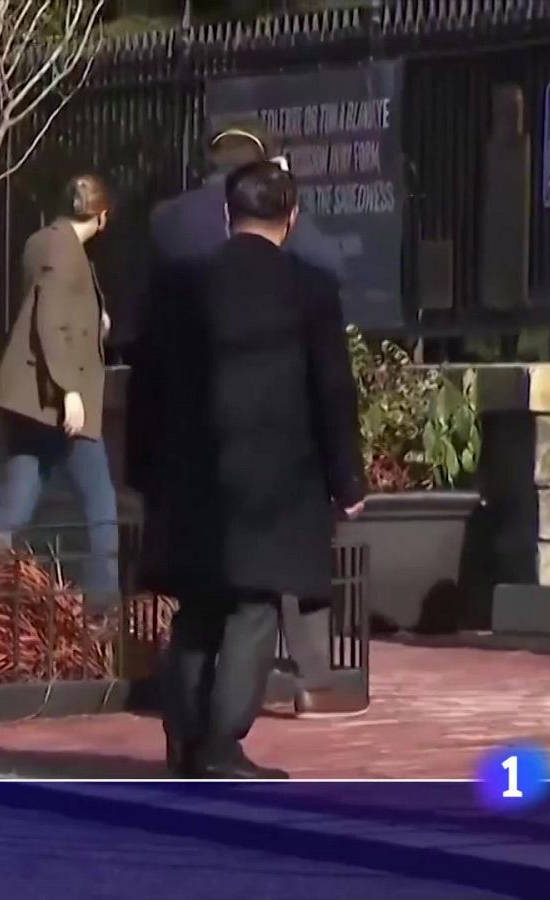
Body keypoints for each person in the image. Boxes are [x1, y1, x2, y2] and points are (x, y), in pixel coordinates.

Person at [140, 161, 364, 779]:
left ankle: (184, 739)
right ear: (291, 219)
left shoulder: (181, 284)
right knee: (254, 607)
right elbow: (332, 389)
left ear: (226, 214)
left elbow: (146, 387)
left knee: (198, 606)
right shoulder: (311, 287)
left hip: (191, 470)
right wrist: (347, 478)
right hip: (277, 476)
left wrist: (143, 469)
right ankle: (220, 744)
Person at [0, 173, 119, 610]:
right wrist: (70, 391)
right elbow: (50, 320)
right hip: (60, 399)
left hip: (29, 397)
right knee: (101, 509)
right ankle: (103, 610)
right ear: (102, 216)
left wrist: (94, 321)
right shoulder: (66, 252)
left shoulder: (42, 241)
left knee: (15, 506)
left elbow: (53, 310)